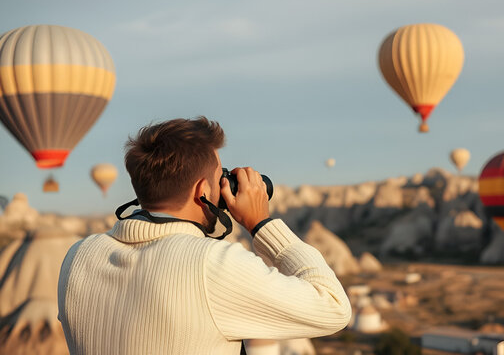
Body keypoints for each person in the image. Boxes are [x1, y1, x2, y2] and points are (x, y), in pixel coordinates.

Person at [57, 117, 351, 354]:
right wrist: (261, 223)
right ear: (202, 191)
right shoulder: (211, 264)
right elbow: (335, 309)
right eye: (219, 177)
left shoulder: (79, 254)